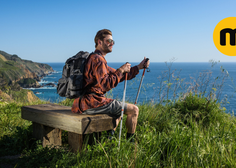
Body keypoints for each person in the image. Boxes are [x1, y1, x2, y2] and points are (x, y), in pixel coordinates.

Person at [72, 29, 150, 141]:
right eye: (109, 41)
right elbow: (105, 84)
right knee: (134, 110)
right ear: (99, 42)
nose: (112, 43)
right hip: (92, 103)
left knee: (118, 109)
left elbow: (118, 75)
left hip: (82, 103)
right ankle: (130, 143)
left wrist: (138, 67)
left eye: (113, 41)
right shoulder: (98, 60)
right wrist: (121, 70)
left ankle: (108, 138)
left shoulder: (95, 58)